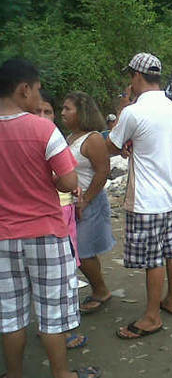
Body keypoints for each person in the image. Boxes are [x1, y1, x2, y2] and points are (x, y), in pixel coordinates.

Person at [0, 58, 100, 378]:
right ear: (24, 89)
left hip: (2, 237)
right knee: (51, 313)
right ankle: (62, 374)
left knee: (11, 316)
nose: (38, 98)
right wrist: (55, 180)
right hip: (45, 233)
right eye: (37, 91)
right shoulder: (43, 128)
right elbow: (70, 182)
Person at [106, 52, 172, 340]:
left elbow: (111, 145)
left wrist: (122, 106)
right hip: (168, 193)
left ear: (137, 76)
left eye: (131, 76)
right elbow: (151, 143)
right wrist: (132, 143)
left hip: (146, 199)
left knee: (153, 260)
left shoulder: (133, 111)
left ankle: (151, 317)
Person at [33, 90, 87, 350]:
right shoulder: (45, 138)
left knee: (64, 274)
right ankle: (59, 332)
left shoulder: (57, 138)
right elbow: (65, 177)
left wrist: (73, 189)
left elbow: (70, 175)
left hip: (64, 210)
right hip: (50, 214)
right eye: (38, 111)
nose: (44, 116)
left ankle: (53, 330)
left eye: (48, 112)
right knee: (58, 277)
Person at [62, 91, 115, 314]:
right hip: (75, 201)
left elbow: (103, 171)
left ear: (81, 112)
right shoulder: (71, 137)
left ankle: (101, 290)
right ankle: (98, 288)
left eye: (67, 108)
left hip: (90, 201)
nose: (62, 112)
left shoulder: (92, 139)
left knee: (83, 250)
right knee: (81, 249)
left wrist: (86, 200)